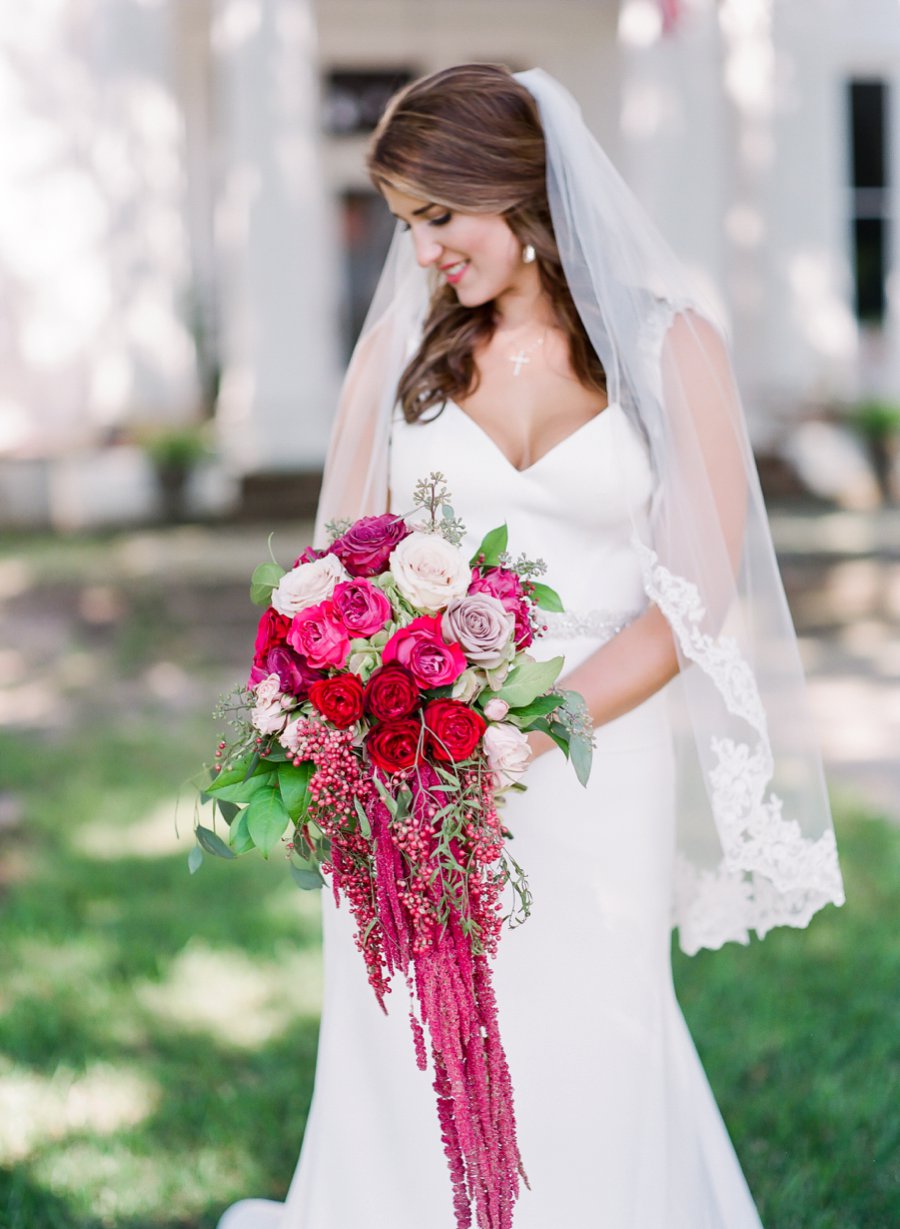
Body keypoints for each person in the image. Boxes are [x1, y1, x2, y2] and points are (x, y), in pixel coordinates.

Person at [219, 64, 844, 1229]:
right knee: (414, 1039)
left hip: (602, 763)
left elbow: (695, 608)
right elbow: (328, 579)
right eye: (405, 224)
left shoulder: (671, 348)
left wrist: (522, 733)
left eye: (436, 217)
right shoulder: (401, 361)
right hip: (415, 766)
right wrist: (346, 725)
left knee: (591, 1026)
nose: (420, 255)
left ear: (508, 188)